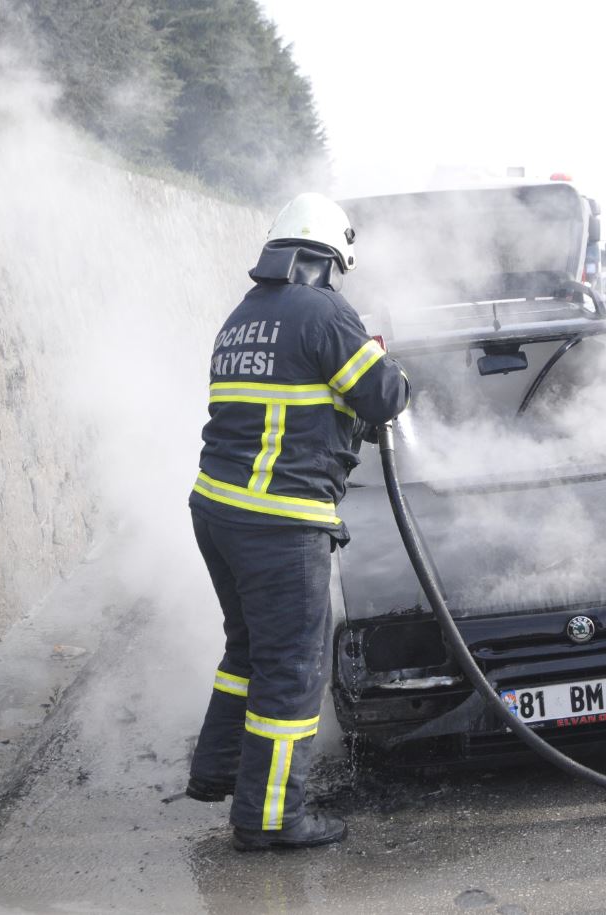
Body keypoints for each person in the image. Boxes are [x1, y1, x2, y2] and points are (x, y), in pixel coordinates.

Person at [184, 193, 410, 850]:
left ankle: (219, 767)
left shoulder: (243, 317)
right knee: (292, 669)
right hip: (277, 523)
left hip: (217, 509)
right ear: (331, 256)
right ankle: (270, 816)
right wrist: (380, 358)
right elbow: (383, 394)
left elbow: (292, 404)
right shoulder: (325, 312)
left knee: (248, 652)